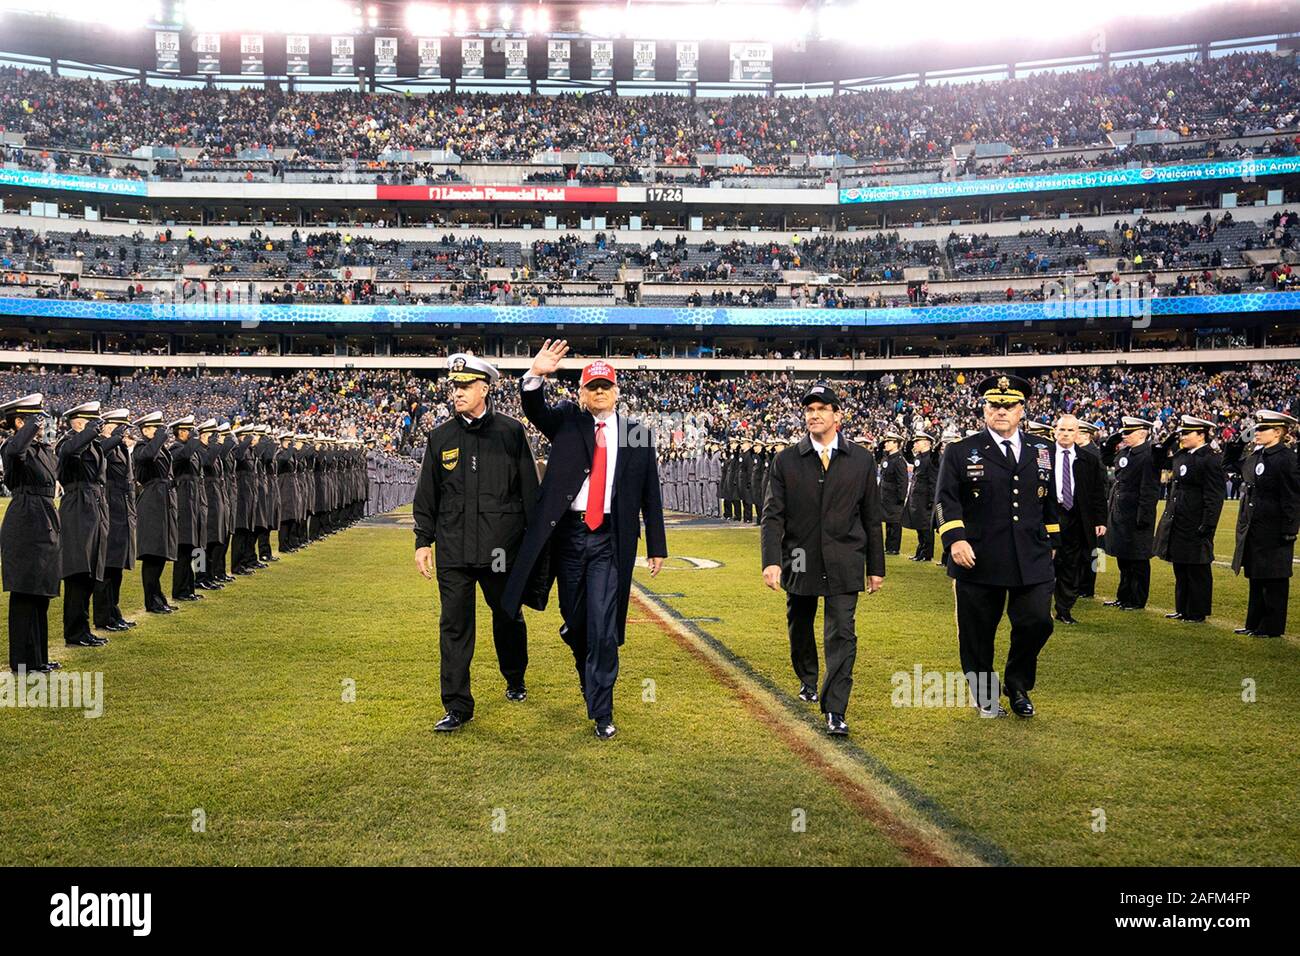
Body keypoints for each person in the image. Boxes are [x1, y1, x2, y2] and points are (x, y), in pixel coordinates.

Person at [503, 341, 668, 741]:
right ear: (580, 392)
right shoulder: (566, 421)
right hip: (568, 536)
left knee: (604, 627)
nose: (598, 392)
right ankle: (580, 652)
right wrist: (536, 375)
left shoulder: (636, 435)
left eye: (605, 386)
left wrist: (657, 546)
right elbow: (533, 409)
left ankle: (602, 710)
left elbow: (651, 492)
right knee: (577, 622)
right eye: (591, 386)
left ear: (616, 391)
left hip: (611, 538)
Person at [413, 354, 540, 732]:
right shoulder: (440, 437)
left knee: (507, 617)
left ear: (485, 388)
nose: (458, 393)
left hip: (501, 550)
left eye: (466, 386)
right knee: (453, 626)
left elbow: (529, 493)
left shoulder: (511, 432)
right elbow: (427, 496)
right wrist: (423, 542)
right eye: (455, 386)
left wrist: (532, 545)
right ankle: (457, 706)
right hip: (453, 550)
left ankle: (515, 676)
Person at [761, 382, 885, 736]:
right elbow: (773, 515)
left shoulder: (861, 458)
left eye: (822, 409)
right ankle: (807, 677)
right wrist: (772, 560)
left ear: (837, 416)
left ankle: (835, 710)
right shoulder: (786, 459)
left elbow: (871, 518)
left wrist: (875, 568)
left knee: (842, 632)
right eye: (809, 410)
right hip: (799, 555)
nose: (814, 415)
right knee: (800, 621)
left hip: (846, 557)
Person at [934, 374, 1060, 718]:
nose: (1001, 411)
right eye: (994, 405)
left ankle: (1017, 684)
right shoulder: (961, 451)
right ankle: (986, 696)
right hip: (978, 556)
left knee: (1038, 622)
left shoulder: (1041, 449)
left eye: (1009, 405)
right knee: (978, 634)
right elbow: (945, 500)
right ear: (984, 409)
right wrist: (955, 539)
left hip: (1030, 555)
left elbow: (1047, 499)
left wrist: (1053, 540)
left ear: (1022, 409)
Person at [2, 393, 62, 673]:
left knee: (40, 593)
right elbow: (15, 451)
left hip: (44, 518)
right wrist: (27, 428)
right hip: (26, 521)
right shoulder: (12, 446)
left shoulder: (41, 449)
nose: (40, 425)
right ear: (18, 422)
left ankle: (38, 657)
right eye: (33, 420)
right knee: (25, 593)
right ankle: (23, 663)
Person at [1231, 410, 1299, 637]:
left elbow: (1292, 495)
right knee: (1257, 577)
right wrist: (1241, 439)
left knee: (1274, 579)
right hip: (1255, 527)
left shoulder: (1286, 458)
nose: (1256, 433)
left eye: (1261, 429)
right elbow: (1229, 462)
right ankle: (1254, 623)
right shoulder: (1257, 456)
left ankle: (1271, 627)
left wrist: (1290, 529)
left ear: (1278, 432)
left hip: (1275, 528)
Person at [1155, 415, 1226, 623]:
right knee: (1181, 567)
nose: (1182, 437)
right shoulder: (1181, 455)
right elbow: (1158, 459)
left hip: (1197, 522)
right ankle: (1182, 608)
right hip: (1178, 520)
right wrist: (1169, 438)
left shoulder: (1210, 459)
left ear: (1201, 435)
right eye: (1181, 432)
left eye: (1187, 433)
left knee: (1197, 568)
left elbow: (1214, 496)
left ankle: (1197, 611)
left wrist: (1208, 524)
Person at [57, 401, 111, 648]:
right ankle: (74, 631)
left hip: (95, 506)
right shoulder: (68, 442)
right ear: (79, 422)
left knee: (91, 572)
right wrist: (89, 433)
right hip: (78, 508)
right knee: (78, 573)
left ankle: (83, 629)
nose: (97, 425)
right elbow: (69, 454)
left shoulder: (93, 445)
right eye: (92, 421)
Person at [1101, 417, 1161, 611]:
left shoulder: (1149, 455)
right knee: (1123, 559)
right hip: (1120, 513)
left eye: (1129, 432)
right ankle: (1123, 596)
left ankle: (1136, 599)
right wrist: (1113, 440)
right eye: (1124, 432)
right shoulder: (1126, 452)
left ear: (1143, 433)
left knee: (1137, 560)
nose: (1125, 436)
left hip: (1136, 515)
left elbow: (1149, 490)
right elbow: (1106, 459)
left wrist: (1143, 518)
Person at [1051, 415, 1106, 625]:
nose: (1065, 434)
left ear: (1078, 433)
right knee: (1046, 562)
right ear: (1055, 431)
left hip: (1076, 517)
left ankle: (1064, 610)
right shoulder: (1042, 455)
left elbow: (1097, 492)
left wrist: (1100, 520)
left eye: (1070, 431)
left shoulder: (1089, 459)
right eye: (1062, 429)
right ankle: (1038, 606)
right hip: (1049, 516)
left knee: (1071, 565)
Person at [92, 408, 138, 632]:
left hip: (122, 509)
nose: (121, 430)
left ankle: (114, 611)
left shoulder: (119, 447)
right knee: (107, 567)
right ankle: (103, 616)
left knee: (116, 567)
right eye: (116, 425)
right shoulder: (101, 444)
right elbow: (98, 453)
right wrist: (114, 438)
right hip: (110, 507)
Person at [133, 410, 179, 614]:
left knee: (160, 553)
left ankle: (158, 597)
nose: (159, 431)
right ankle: (151, 601)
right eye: (154, 428)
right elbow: (148, 456)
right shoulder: (141, 446)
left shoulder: (159, 448)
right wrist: (160, 436)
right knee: (152, 554)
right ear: (145, 429)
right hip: (151, 502)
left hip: (163, 500)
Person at [170, 415, 205, 603]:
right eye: (186, 431)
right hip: (184, 500)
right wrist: (195, 439)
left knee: (196, 546)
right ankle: (180, 589)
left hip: (195, 499)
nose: (189, 434)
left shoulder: (191, 449)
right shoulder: (176, 449)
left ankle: (191, 586)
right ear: (179, 432)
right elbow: (183, 456)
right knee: (184, 549)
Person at [904, 431, 937, 562]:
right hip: (917, 498)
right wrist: (909, 443)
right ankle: (920, 551)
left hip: (925, 498)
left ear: (926, 443)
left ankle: (927, 553)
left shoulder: (931, 459)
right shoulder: (920, 457)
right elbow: (907, 455)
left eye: (917, 442)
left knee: (926, 527)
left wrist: (931, 500)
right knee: (919, 526)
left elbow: (932, 481)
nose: (915, 444)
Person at [877, 431, 908, 554]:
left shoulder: (899, 460)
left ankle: (894, 548)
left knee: (895, 523)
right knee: (888, 524)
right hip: (885, 496)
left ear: (896, 444)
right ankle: (888, 546)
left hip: (894, 497)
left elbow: (903, 481)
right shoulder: (887, 458)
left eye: (889, 442)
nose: (886, 444)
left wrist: (901, 498)